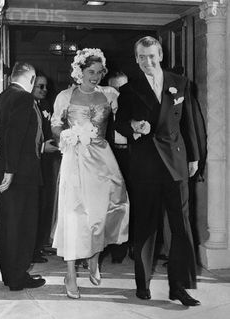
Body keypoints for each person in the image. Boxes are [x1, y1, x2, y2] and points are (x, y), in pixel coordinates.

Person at [115, 36, 201, 306]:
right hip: (145, 166)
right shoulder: (129, 90)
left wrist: (195, 157)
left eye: (151, 56)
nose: (147, 62)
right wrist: (134, 126)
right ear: (136, 58)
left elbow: (190, 124)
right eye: (142, 57)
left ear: (160, 54)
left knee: (180, 227)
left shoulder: (180, 83)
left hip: (176, 164)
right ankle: (142, 284)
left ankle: (178, 286)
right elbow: (119, 125)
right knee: (146, 227)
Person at [51, 48, 129, 299]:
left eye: (99, 72)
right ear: (79, 71)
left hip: (103, 161)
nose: (95, 76)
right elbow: (55, 124)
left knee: (100, 214)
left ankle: (94, 258)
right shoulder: (65, 96)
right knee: (74, 215)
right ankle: (71, 273)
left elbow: (125, 120)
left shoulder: (110, 94)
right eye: (90, 72)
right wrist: (65, 134)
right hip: (75, 159)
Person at [0, 62, 46, 291]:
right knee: (22, 225)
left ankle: (10, 275)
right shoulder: (24, 98)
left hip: (4, 167)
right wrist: (11, 170)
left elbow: (6, 135)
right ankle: (17, 277)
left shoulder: (3, 96)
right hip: (19, 174)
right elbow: (14, 135)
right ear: (31, 78)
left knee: (7, 224)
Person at [32, 73, 59, 263]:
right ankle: (32, 249)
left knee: (45, 204)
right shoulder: (26, 105)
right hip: (34, 163)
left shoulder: (47, 106)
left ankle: (40, 245)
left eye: (46, 86)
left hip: (47, 163)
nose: (44, 90)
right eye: (40, 86)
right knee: (35, 206)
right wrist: (42, 148)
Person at [105, 71, 131, 263]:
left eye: (122, 89)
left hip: (131, 158)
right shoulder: (103, 109)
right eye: (114, 89)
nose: (118, 93)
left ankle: (132, 246)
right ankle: (116, 249)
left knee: (133, 202)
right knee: (113, 203)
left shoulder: (134, 107)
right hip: (110, 158)